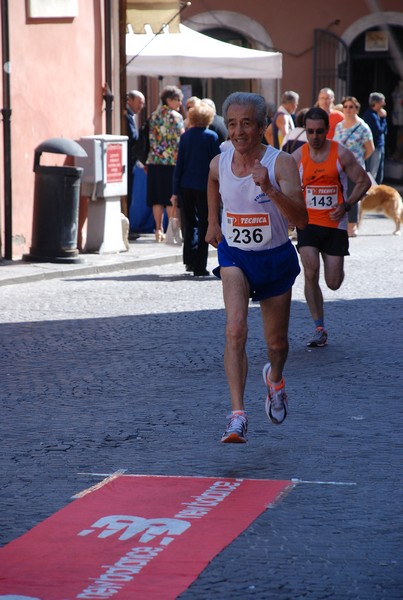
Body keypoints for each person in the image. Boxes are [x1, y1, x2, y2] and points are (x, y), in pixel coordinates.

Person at [206, 92, 308, 443]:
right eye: (232, 123)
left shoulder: (282, 164)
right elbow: (213, 181)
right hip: (235, 255)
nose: (238, 131)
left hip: (275, 257)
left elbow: (302, 220)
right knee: (235, 330)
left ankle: (275, 380)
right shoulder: (220, 161)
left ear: (263, 126)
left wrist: (269, 188)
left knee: (276, 343)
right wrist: (212, 222)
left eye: (247, 123)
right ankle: (237, 416)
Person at [292, 107, 371, 348]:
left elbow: (364, 181)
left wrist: (347, 205)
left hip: (335, 225)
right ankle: (319, 327)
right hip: (308, 224)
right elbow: (282, 182)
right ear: (305, 130)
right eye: (310, 131)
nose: (314, 136)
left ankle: (333, 266)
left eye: (319, 131)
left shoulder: (341, 154)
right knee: (310, 271)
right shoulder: (297, 156)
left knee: (333, 282)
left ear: (327, 130)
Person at [171, 101, 221, 276]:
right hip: (205, 186)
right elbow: (217, 163)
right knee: (204, 225)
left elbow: (180, 165)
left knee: (189, 223)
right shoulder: (211, 137)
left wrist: (174, 191)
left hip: (186, 186)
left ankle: (189, 261)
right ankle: (200, 265)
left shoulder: (185, 137)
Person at [146, 85, 185, 242]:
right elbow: (181, 139)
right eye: (178, 100)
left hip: (154, 161)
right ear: (169, 100)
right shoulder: (176, 117)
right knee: (170, 196)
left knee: (156, 198)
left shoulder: (153, 116)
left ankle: (158, 230)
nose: (180, 104)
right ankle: (173, 231)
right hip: (172, 161)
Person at [334, 96, 374, 237]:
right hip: (340, 167)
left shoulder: (362, 127)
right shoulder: (339, 126)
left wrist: (359, 160)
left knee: (353, 196)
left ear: (356, 109)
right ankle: (341, 223)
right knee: (341, 194)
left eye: (351, 107)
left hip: (355, 167)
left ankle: (352, 226)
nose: (348, 109)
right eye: (345, 107)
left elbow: (370, 148)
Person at [125, 90, 146, 223]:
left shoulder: (130, 115)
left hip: (130, 161)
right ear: (130, 100)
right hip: (127, 160)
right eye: (140, 102)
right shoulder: (126, 116)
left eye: (143, 103)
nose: (141, 106)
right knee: (127, 193)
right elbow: (133, 137)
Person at [362, 92, 388, 184]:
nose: (384, 104)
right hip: (375, 146)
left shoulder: (376, 114)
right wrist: (383, 118)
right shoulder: (371, 115)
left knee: (377, 171)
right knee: (373, 171)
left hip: (379, 146)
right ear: (376, 103)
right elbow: (379, 130)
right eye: (382, 101)